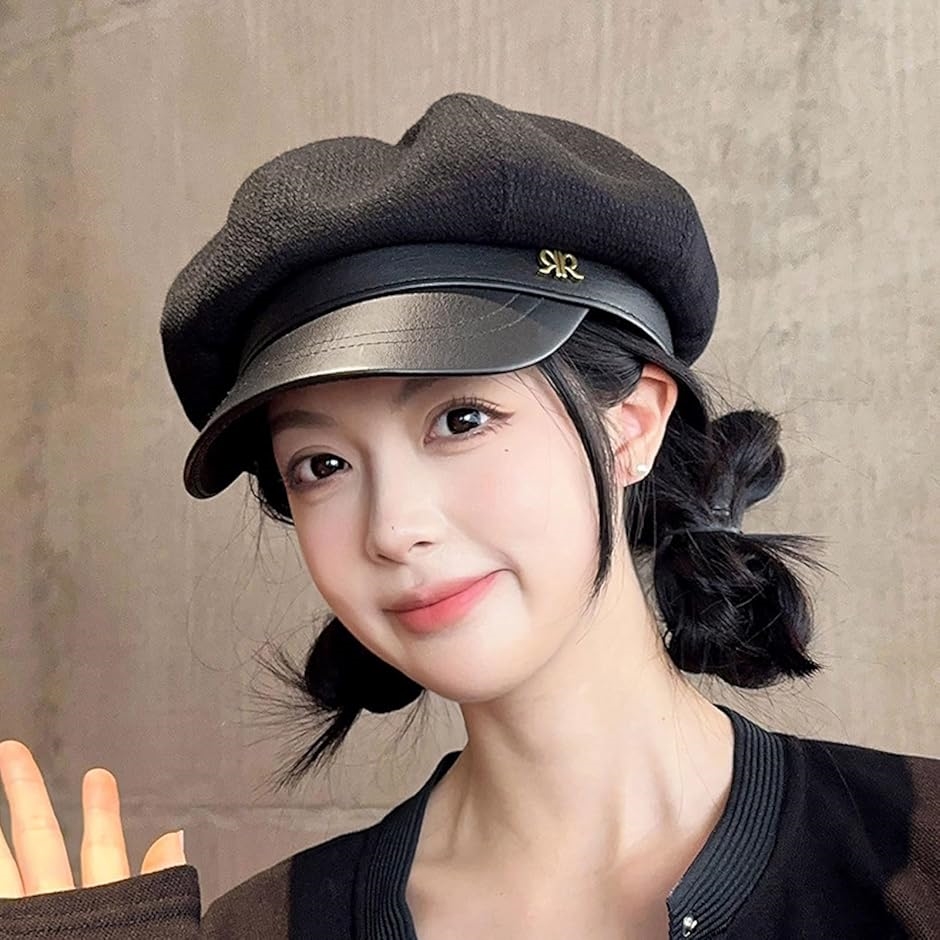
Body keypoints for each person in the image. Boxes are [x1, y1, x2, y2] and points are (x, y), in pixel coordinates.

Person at [0, 93, 937, 940]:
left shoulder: (918, 853)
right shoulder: (268, 926)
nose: (392, 529)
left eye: (460, 420)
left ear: (632, 427)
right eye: (322, 465)